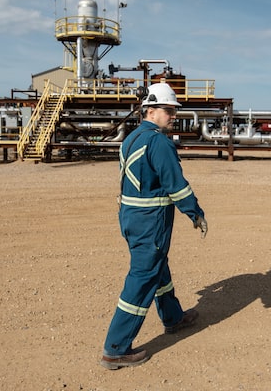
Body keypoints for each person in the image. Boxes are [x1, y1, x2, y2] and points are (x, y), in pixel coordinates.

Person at [100, 82, 208, 370]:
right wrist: (195, 212)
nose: (173, 116)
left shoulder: (131, 139)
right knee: (143, 277)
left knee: (157, 266)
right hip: (151, 221)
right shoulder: (159, 142)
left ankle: (173, 317)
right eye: (169, 110)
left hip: (131, 218)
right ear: (151, 110)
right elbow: (176, 185)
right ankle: (115, 348)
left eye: (174, 111)